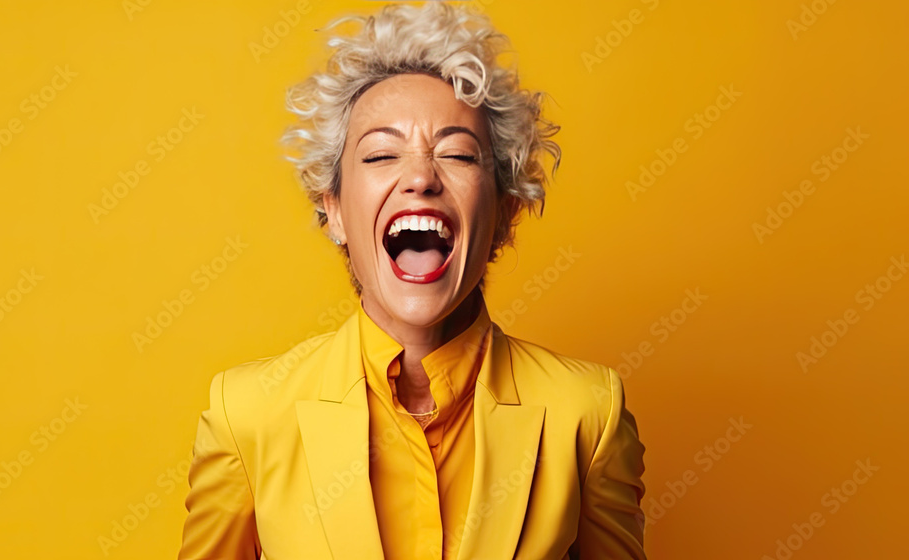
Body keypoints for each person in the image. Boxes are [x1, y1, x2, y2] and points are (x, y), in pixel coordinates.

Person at [177, 4, 647, 559]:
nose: (421, 177)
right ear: (334, 211)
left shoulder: (587, 414)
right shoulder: (248, 415)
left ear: (505, 212)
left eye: (457, 154)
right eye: (381, 154)